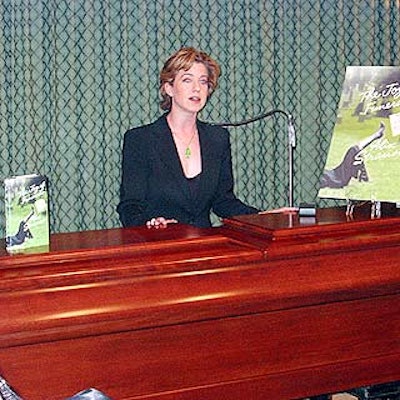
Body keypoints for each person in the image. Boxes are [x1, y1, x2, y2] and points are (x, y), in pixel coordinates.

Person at [117, 47, 264, 228]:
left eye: (203, 82)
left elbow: (223, 202)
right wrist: (150, 224)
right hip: (160, 247)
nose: (197, 88)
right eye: (187, 80)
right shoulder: (140, 140)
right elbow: (130, 208)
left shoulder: (218, 139)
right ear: (168, 88)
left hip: (205, 247)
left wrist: (263, 217)